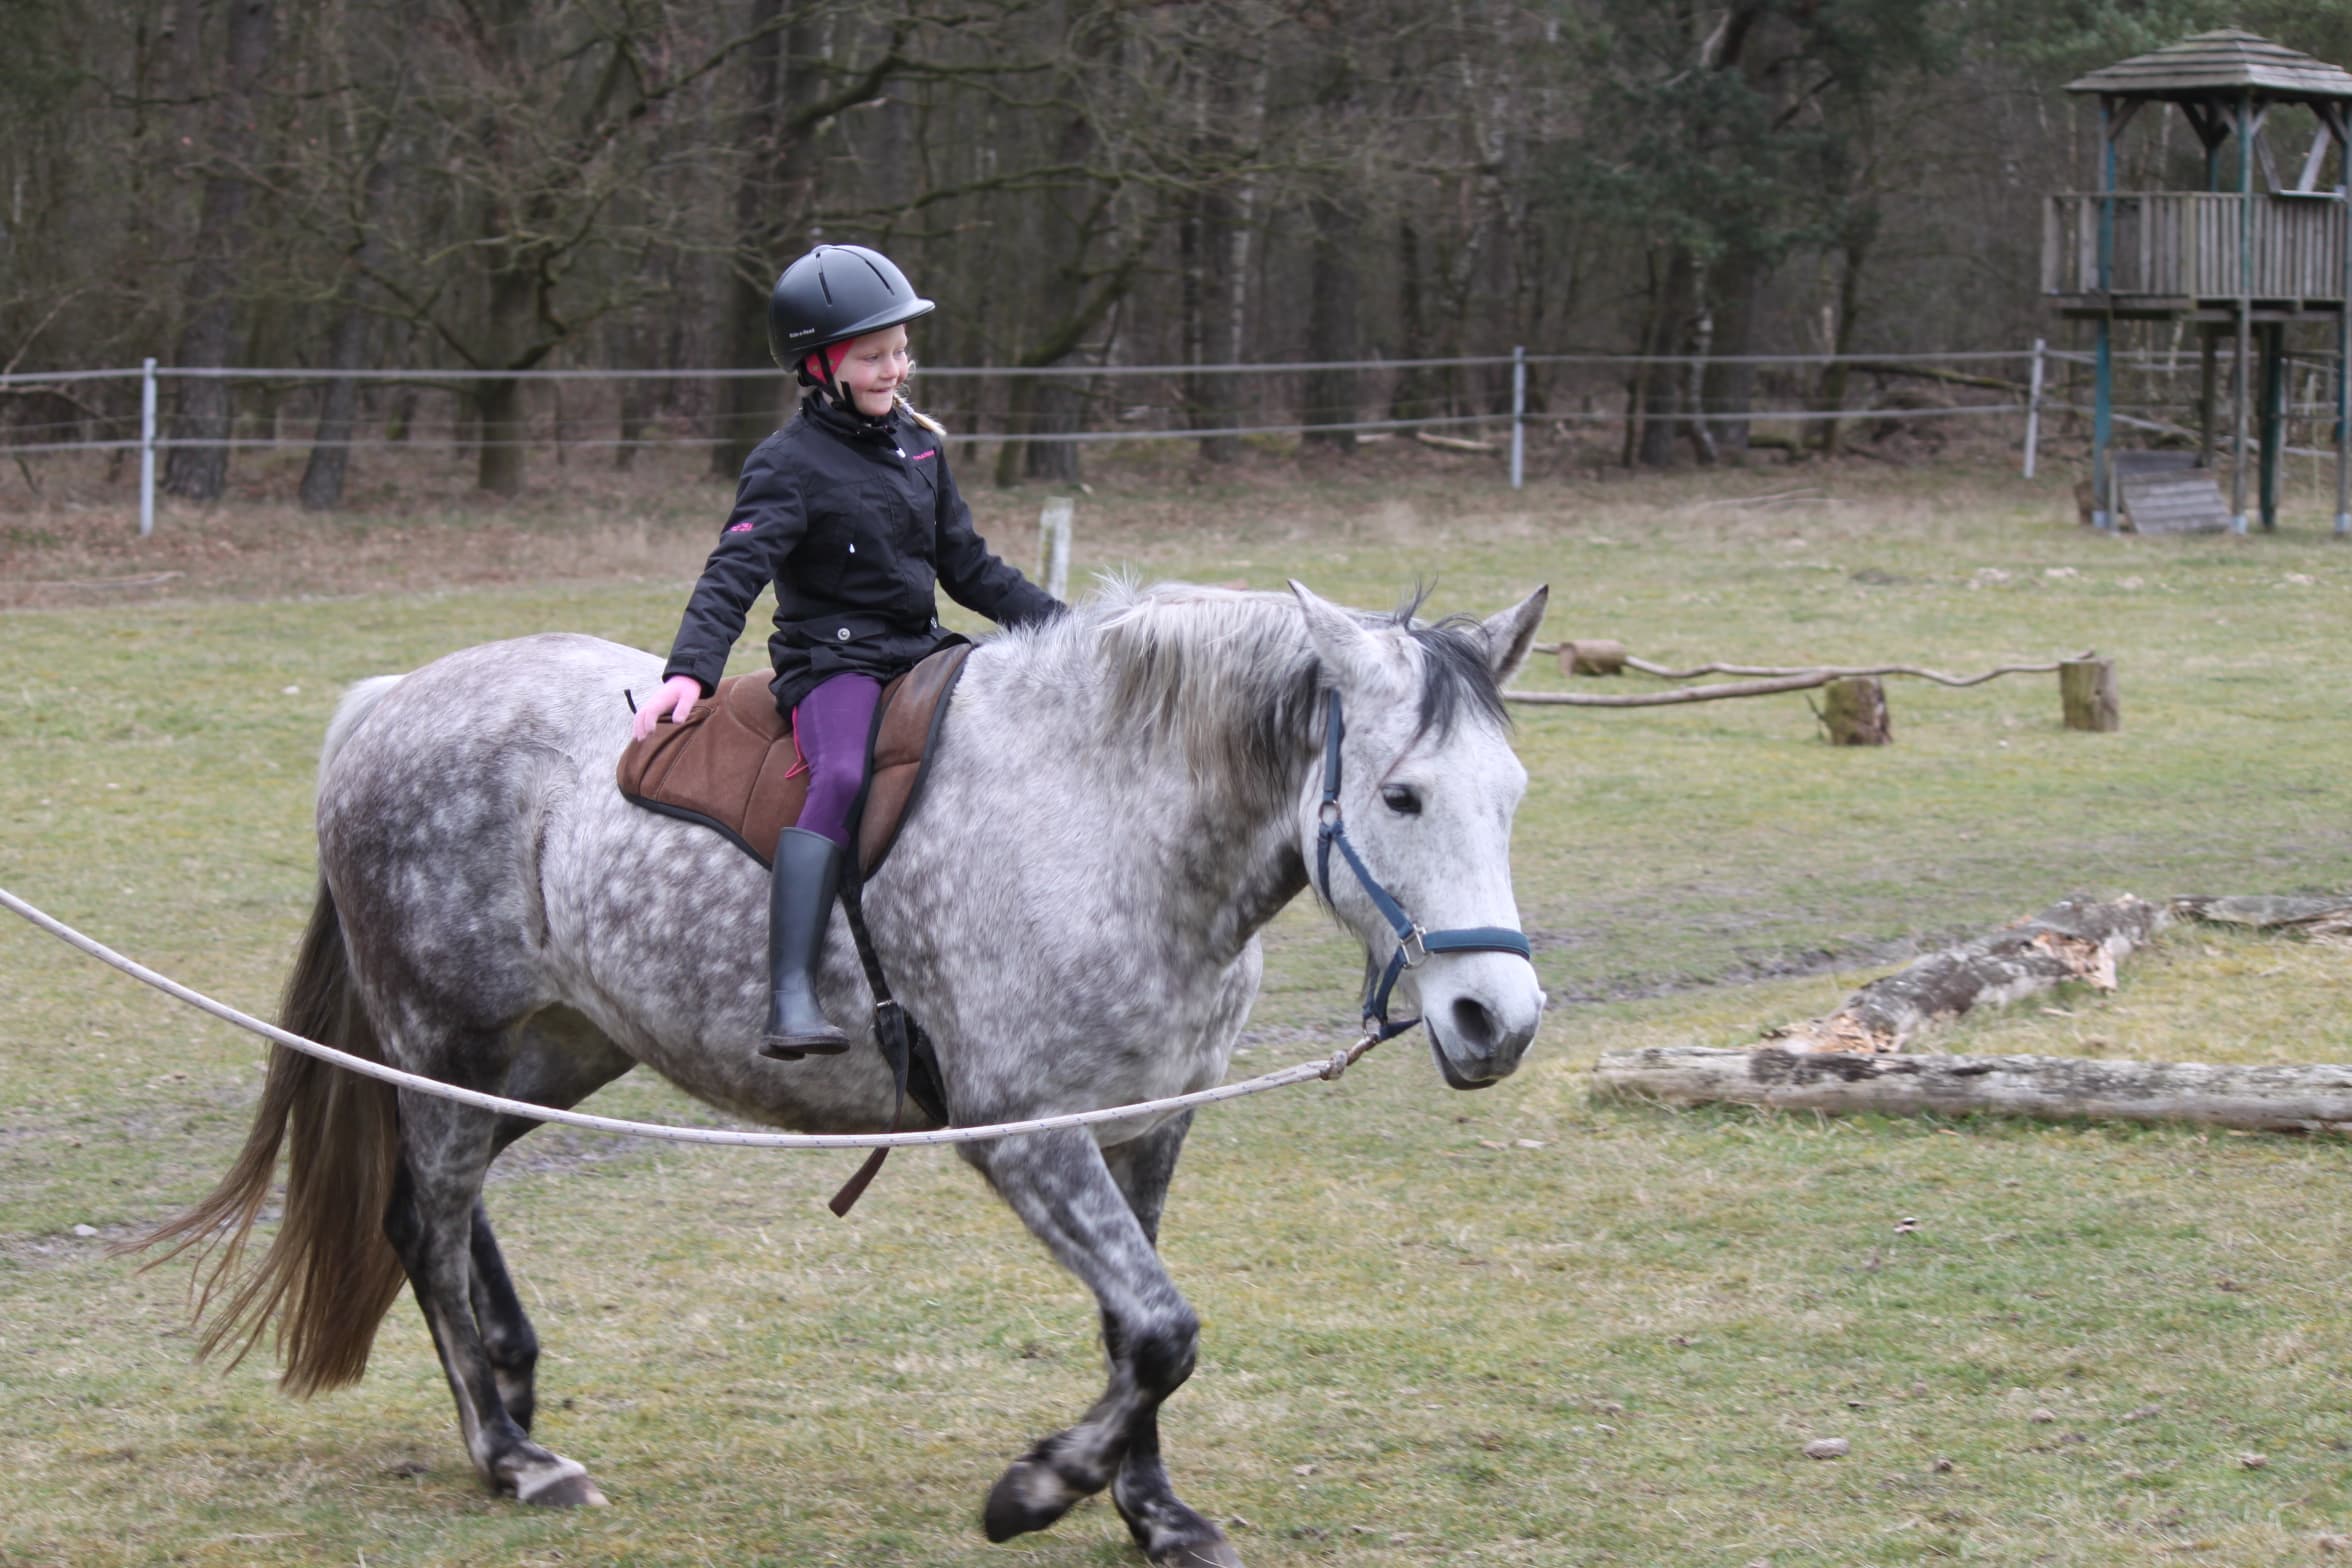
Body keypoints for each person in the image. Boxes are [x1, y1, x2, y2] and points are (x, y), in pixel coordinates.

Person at [632, 242, 1063, 1061]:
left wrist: (1070, 627)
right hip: (832, 665)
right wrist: (688, 671)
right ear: (821, 364)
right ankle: (790, 989)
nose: (895, 368)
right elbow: (734, 574)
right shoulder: (786, 466)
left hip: (920, 648)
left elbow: (968, 567)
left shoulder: (920, 450)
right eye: (873, 356)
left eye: (901, 351)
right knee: (838, 775)